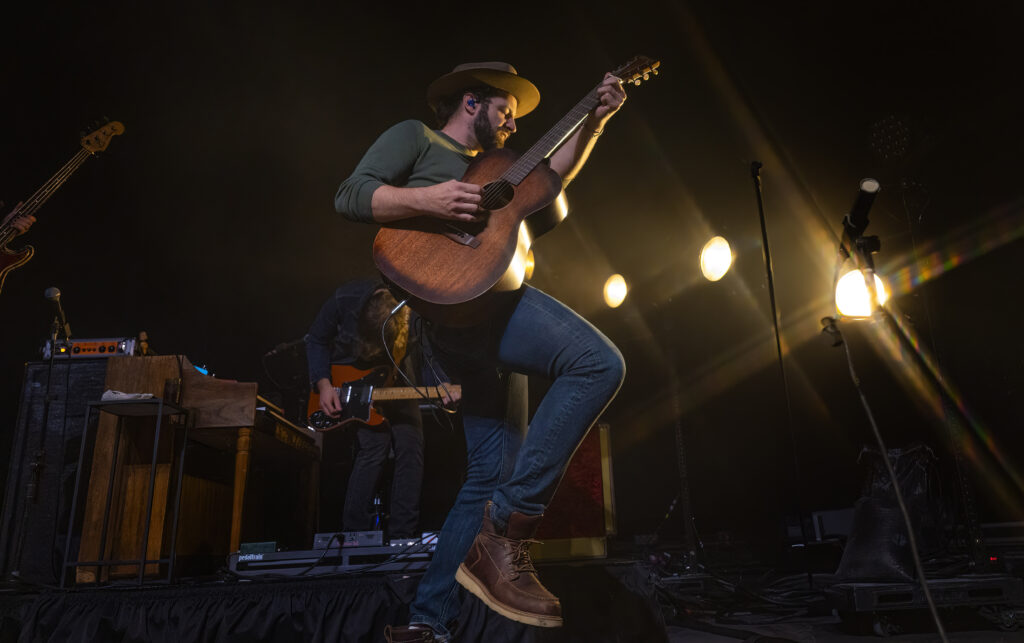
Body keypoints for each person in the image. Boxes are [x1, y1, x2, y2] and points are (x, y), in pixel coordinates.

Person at [334, 61, 627, 642]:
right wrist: (438, 200)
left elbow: (551, 181)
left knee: (487, 474)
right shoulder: (417, 137)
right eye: (505, 111)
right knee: (597, 363)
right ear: (471, 102)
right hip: (457, 309)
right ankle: (509, 530)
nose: (513, 125)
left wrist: (593, 121)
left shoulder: (502, 169)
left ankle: (426, 621)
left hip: (490, 301)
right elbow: (350, 195)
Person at [305, 279, 425, 538]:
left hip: (396, 370)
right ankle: (355, 534)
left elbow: (433, 352)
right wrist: (323, 384)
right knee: (375, 445)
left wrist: (445, 384)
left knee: (410, 444)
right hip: (350, 377)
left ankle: (402, 538)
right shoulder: (344, 298)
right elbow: (316, 339)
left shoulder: (414, 313)